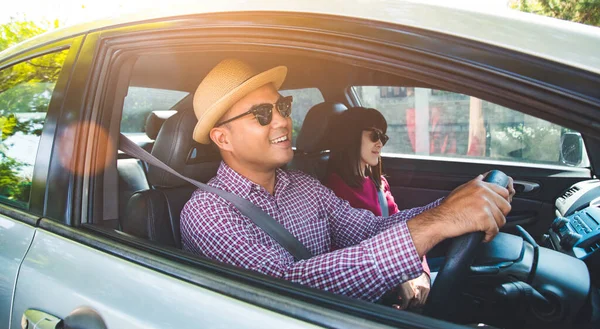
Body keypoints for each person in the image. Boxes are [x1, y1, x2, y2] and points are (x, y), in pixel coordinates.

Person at [180, 58, 515, 304]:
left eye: (282, 106)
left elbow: (370, 230)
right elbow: (286, 289)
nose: (282, 120)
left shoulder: (303, 185)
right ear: (223, 139)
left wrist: (453, 204)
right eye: (262, 114)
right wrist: (436, 224)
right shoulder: (208, 214)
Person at [325, 107, 433, 309]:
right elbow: (353, 252)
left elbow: (407, 231)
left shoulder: (379, 184)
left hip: (401, 275)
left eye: (383, 136)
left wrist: (422, 273)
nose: (380, 143)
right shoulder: (334, 190)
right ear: (351, 136)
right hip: (372, 291)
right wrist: (401, 276)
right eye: (374, 135)